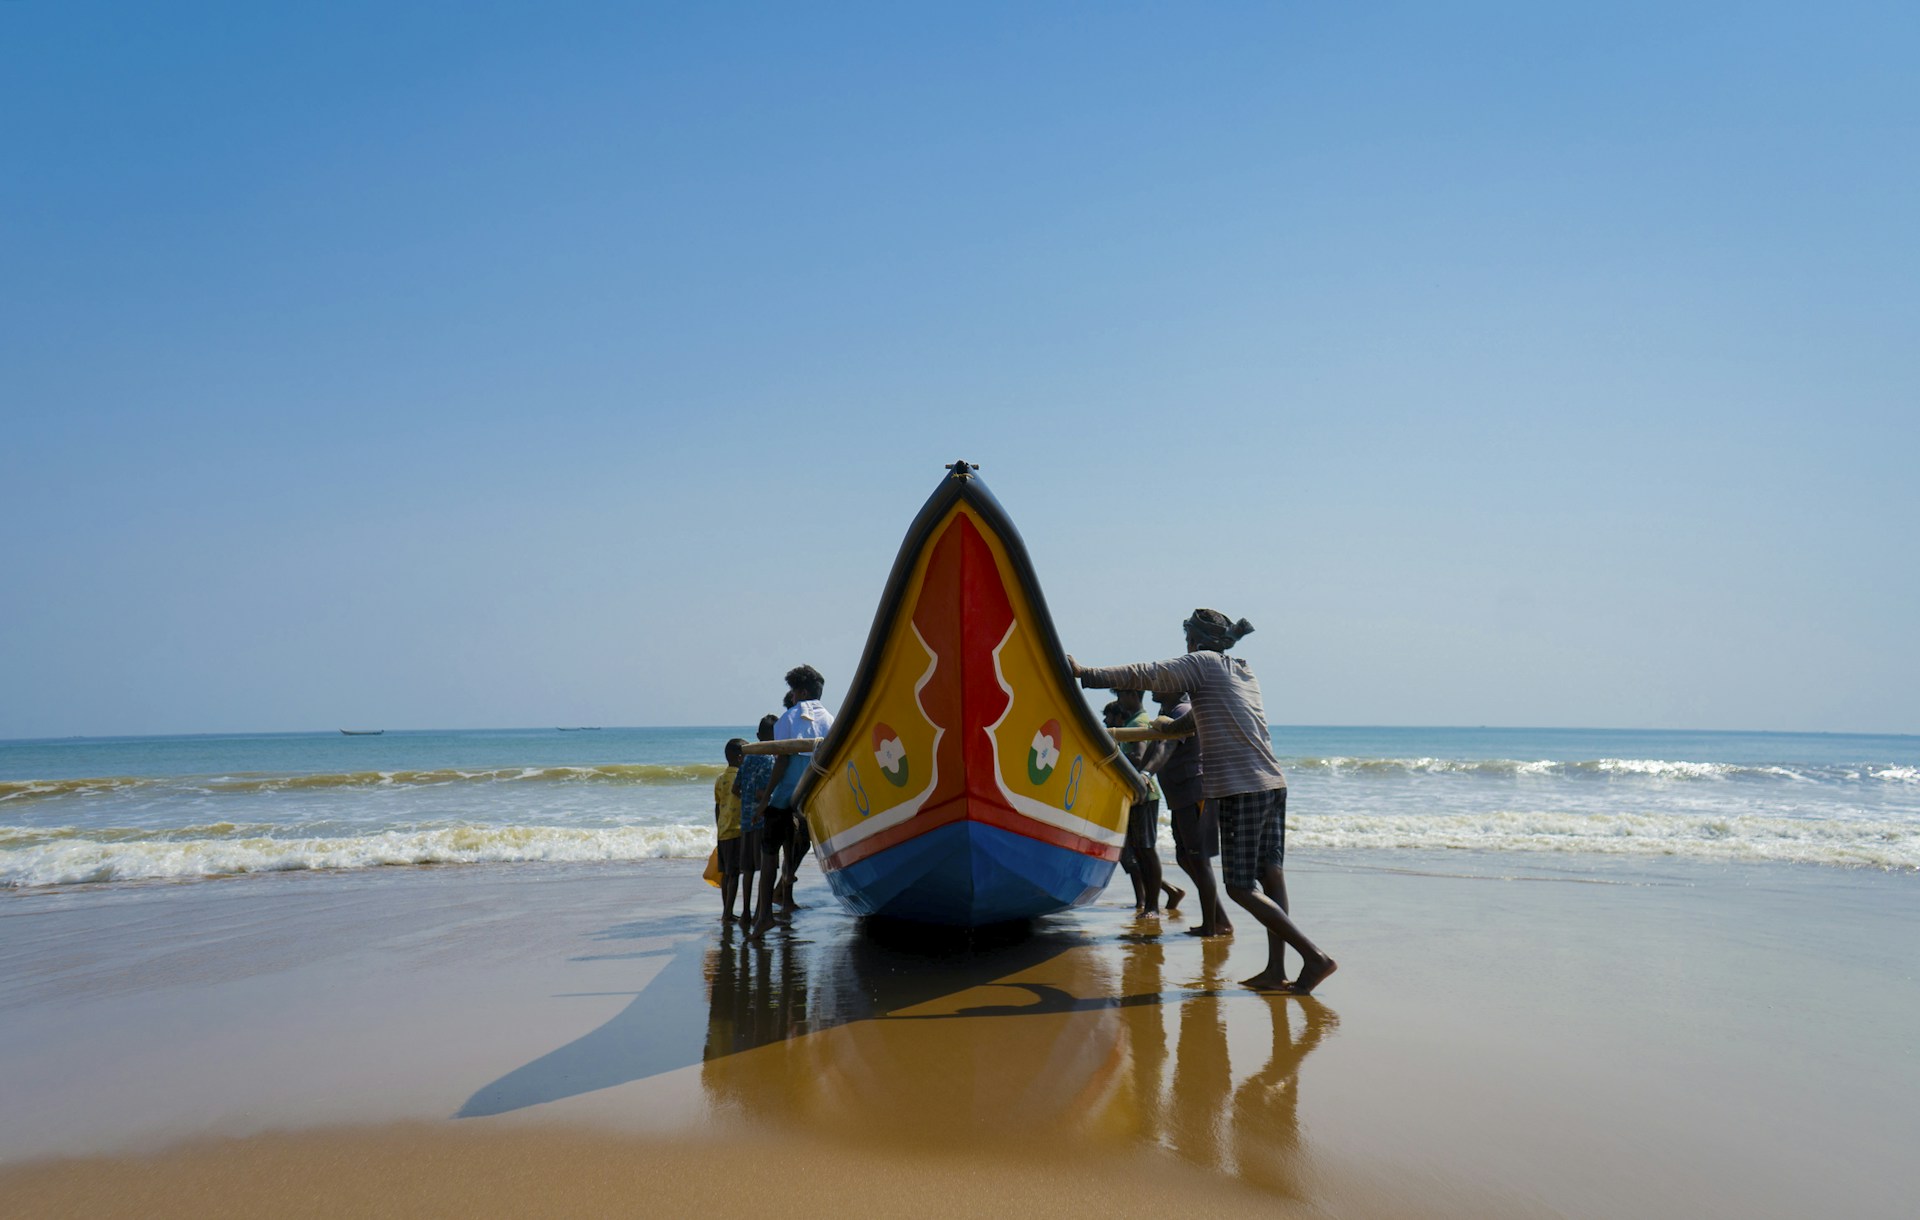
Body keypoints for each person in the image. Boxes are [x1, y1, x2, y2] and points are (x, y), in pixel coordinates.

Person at [1070, 609, 1336, 994]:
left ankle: (1314, 958)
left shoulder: (1202, 663)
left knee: (1240, 887)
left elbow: (1147, 673)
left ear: (1193, 641)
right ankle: (1276, 970)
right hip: (1271, 783)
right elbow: (1184, 727)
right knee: (1269, 874)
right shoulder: (1240, 670)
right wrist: (1127, 730)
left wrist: (1084, 674)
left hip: (1238, 787)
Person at [747, 665, 834, 942]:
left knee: (769, 851)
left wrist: (766, 801)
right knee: (796, 845)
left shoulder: (788, 717)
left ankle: (764, 917)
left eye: (793, 691)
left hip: (785, 797)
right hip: (811, 799)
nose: (792, 696)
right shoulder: (830, 720)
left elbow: (782, 760)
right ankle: (784, 898)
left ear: (801, 691)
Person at [1152, 687, 1231, 937]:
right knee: (1185, 858)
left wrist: (1144, 774)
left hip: (1193, 794)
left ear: (1174, 687)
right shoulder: (1169, 711)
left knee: (1199, 859)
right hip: (1180, 797)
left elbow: (1165, 748)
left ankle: (1212, 926)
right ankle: (1219, 919)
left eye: (1160, 682)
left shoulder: (1183, 711)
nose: (1154, 686)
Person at [1114, 689, 1183, 916]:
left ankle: (1152, 906)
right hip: (1136, 795)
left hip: (1144, 794)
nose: (1119, 702)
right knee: (1138, 852)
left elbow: (1138, 756)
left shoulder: (1140, 722)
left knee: (1146, 850)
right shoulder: (1134, 721)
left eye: (1121, 696)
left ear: (1134, 695)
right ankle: (1159, 898)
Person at [732, 714, 778, 920]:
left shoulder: (748, 757)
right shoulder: (770, 759)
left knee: (748, 870)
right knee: (765, 869)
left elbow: (736, 788)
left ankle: (745, 912)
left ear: (758, 735)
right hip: (762, 821)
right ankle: (761, 911)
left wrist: (747, 800)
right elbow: (763, 793)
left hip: (745, 821)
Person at [714, 739, 746, 921]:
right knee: (734, 874)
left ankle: (726, 909)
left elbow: (718, 807)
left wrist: (718, 827)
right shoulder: (741, 777)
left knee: (726, 874)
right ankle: (728, 913)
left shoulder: (720, 779)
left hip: (723, 831)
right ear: (740, 757)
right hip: (737, 830)